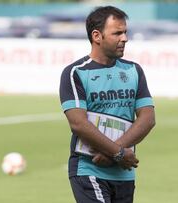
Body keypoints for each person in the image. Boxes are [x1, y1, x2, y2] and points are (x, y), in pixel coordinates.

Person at [59, 6, 156, 203]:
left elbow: (148, 118)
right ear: (97, 36)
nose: (125, 38)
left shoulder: (133, 70)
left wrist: (116, 153)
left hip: (124, 171)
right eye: (117, 33)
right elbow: (78, 123)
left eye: (125, 32)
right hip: (88, 169)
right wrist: (118, 153)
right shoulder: (75, 72)